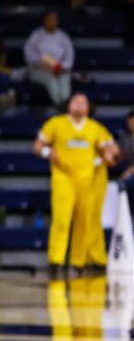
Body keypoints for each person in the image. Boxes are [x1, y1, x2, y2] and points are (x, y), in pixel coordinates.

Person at [34, 93, 119, 276]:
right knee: (62, 220)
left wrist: (108, 154)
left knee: (84, 222)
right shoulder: (56, 123)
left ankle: (78, 262)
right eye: (76, 101)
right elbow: (38, 146)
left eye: (84, 102)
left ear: (88, 108)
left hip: (87, 180)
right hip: (63, 177)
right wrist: (48, 152)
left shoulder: (95, 128)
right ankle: (56, 261)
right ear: (69, 105)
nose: (80, 104)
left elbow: (111, 148)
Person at [25, 11, 74, 108]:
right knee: (51, 80)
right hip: (40, 70)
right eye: (49, 19)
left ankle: (64, 105)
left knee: (64, 81)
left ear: (57, 21)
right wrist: (44, 64)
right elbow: (29, 54)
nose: (51, 21)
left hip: (60, 70)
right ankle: (59, 106)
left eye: (54, 19)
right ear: (44, 20)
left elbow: (69, 57)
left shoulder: (63, 37)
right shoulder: (36, 36)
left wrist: (60, 67)